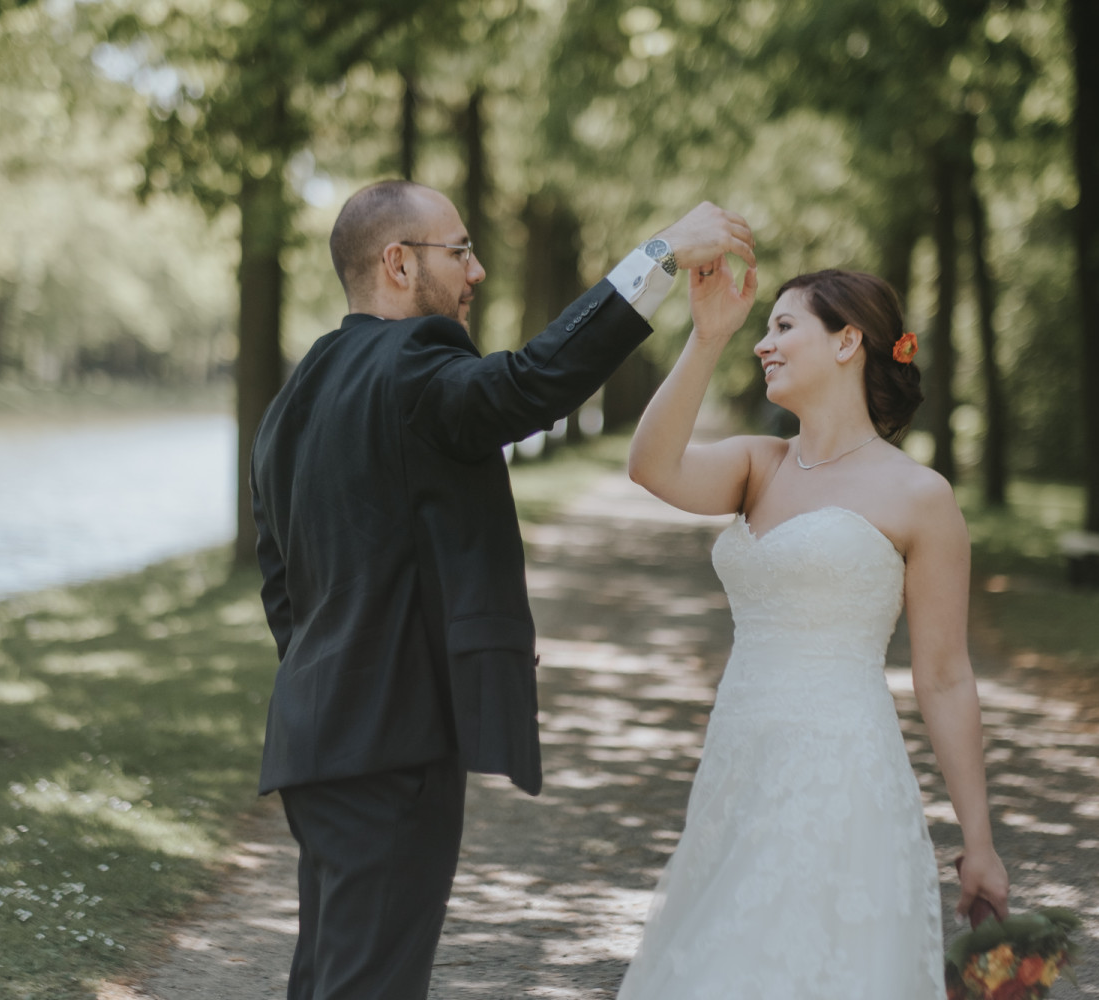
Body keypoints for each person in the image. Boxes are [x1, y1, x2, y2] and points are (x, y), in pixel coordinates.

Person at [248, 179, 755, 1000]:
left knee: (330, 974)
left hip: (318, 735)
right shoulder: (415, 363)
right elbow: (530, 383)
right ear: (398, 264)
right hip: (391, 742)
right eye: (461, 250)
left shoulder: (296, 396)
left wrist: (328, 679)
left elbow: (283, 587)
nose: (478, 270)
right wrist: (658, 257)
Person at [621, 261, 1010, 998]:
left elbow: (945, 675)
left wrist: (978, 842)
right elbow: (650, 465)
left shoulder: (919, 496)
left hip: (841, 776)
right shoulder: (757, 466)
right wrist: (706, 339)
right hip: (737, 767)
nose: (763, 343)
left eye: (782, 326)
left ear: (846, 342)